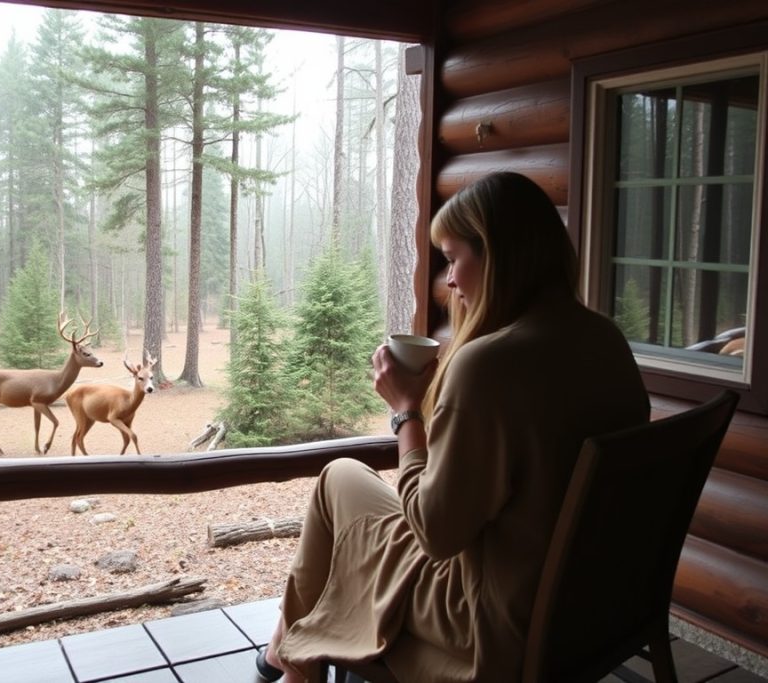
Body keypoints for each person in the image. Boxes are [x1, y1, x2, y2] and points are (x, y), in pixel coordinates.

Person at [255, 172, 650, 682]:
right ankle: (286, 656)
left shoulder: (490, 364)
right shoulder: (605, 340)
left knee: (337, 479)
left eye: (453, 258)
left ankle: (292, 666)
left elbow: (437, 535)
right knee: (348, 480)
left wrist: (406, 412)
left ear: (499, 256)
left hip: (486, 618)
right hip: (583, 604)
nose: (450, 281)